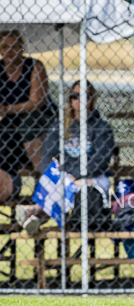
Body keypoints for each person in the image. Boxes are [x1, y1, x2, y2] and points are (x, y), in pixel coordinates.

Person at [15, 80, 114, 234]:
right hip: (65, 176)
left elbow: (101, 159)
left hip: (91, 177)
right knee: (60, 183)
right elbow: (48, 155)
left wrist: (77, 174)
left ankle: (34, 212)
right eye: (75, 96)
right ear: (70, 99)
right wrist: (65, 174)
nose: (79, 100)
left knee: (72, 186)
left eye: (85, 96)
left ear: (92, 99)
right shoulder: (60, 125)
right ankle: (36, 216)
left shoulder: (102, 127)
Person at [0, 30, 56, 202]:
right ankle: (8, 181)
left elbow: (36, 102)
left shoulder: (34, 66)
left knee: (29, 124)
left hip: (38, 119)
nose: (9, 50)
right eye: (4, 46)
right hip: (9, 123)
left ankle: (42, 180)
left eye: (14, 46)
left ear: (22, 48)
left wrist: (6, 109)